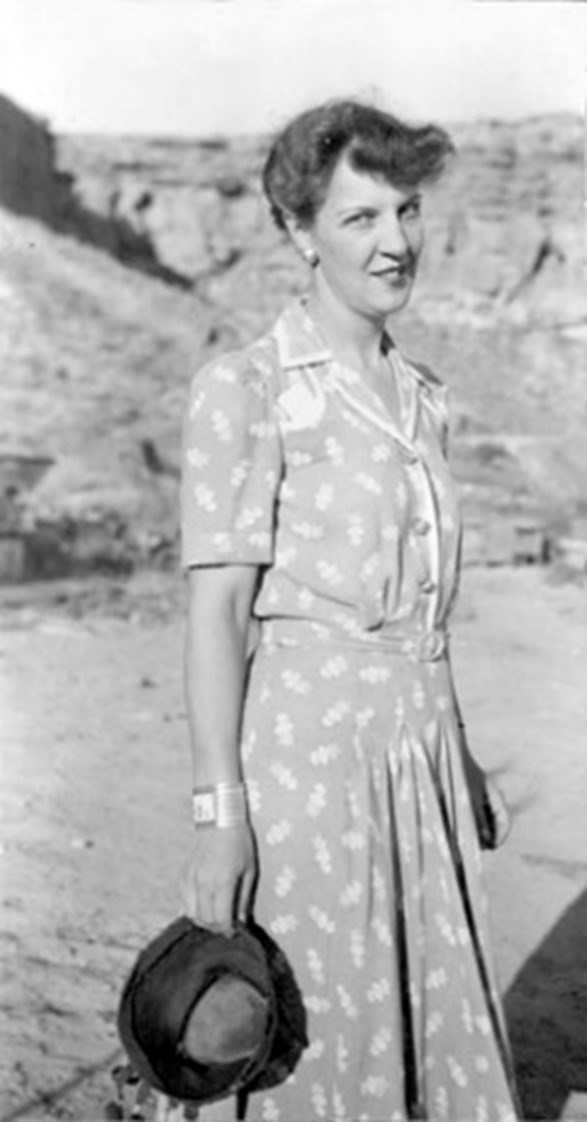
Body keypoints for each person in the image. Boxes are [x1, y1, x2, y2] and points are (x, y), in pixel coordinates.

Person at [179, 99, 519, 1122]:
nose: (394, 243)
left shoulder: (425, 397)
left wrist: (455, 758)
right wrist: (219, 817)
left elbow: (428, 613)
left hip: (413, 762)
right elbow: (215, 615)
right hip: (310, 768)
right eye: (360, 219)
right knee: (319, 1036)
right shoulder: (247, 387)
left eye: (405, 212)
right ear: (299, 232)